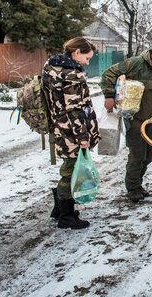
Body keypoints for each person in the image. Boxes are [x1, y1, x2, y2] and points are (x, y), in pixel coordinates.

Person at [100, 40, 152, 203]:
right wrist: (108, 96)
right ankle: (133, 187)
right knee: (137, 154)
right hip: (135, 118)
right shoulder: (136, 64)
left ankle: (138, 184)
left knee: (148, 156)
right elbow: (108, 74)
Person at [42, 37, 101, 229]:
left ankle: (59, 210)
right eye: (86, 57)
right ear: (76, 52)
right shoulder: (71, 74)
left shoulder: (53, 68)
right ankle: (66, 216)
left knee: (69, 168)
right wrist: (83, 137)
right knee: (70, 172)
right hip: (71, 133)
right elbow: (74, 108)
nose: (87, 62)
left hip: (61, 129)